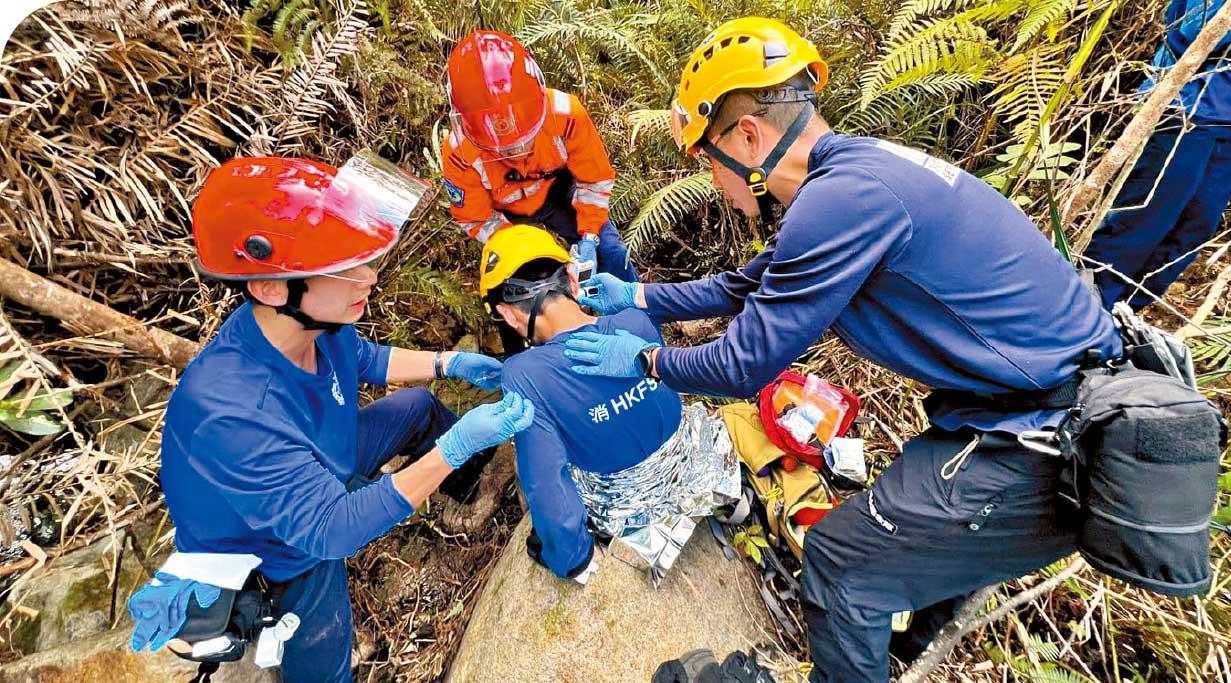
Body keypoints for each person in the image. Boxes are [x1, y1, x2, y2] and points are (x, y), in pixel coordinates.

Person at [562, 18, 1123, 682]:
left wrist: (645, 362)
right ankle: (875, 662)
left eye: (707, 158)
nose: (711, 178)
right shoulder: (851, 174)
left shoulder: (839, 202)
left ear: (749, 136)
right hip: (1020, 414)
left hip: (1048, 439)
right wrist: (638, 298)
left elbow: (743, 366)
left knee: (838, 561)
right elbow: (747, 283)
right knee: (895, 567)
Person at [156, 155, 534, 682]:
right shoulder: (231, 415)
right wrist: (454, 449)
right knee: (326, 664)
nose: (370, 278)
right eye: (344, 269)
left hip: (323, 453)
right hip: (280, 550)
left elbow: (362, 360)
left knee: (418, 406)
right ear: (270, 288)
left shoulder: (311, 323)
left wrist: (448, 362)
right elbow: (333, 529)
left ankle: (473, 499)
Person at [479, 224, 736, 583]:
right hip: (692, 459)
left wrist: (571, 560)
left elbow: (545, 480)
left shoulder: (523, 375)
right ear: (573, 277)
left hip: (624, 499)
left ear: (507, 314)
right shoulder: (633, 317)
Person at [1083, 0, 1231, 310]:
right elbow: (1198, 29)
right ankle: (1081, 312)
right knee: (1141, 224)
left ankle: (1118, 318)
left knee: (1191, 231)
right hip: (1188, 110)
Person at [442, 29, 637, 287]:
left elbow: (594, 181)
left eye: (524, 142)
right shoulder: (460, 154)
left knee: (612, 253)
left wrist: (589, 236)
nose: (513, 153)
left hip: (561, 197)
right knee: (531, 285)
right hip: (509, 219)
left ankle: (635, 307)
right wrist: (527, 246)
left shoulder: (565, 116)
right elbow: (475, 217)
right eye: (502, 149)